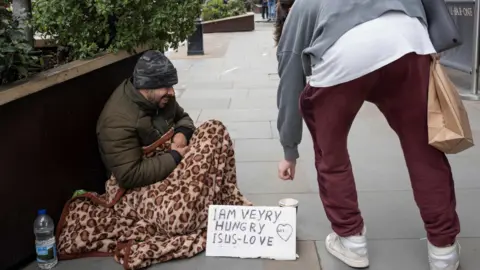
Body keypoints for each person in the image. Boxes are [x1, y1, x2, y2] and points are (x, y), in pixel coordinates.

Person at [274, 0, 461, 269]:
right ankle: (444, 250)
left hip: (345, 56)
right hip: (408, 42)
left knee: (331, 151)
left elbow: (290, 80)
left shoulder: (302, 7)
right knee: (423, 149)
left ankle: (351, 240)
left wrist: (289, 151)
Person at [55, 50, 251, 269]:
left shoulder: (162, 98)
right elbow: (130, 175)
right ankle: (200, 208)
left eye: (172, 86)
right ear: (146, 87)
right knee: (179, 220)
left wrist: (181, 134)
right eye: (166, 88)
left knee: (214, 129)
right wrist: (176, 156)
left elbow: (183, 118)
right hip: (132, 188)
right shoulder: (117, 121)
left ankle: (200, 205)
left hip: (167, 161)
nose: (171, 92)